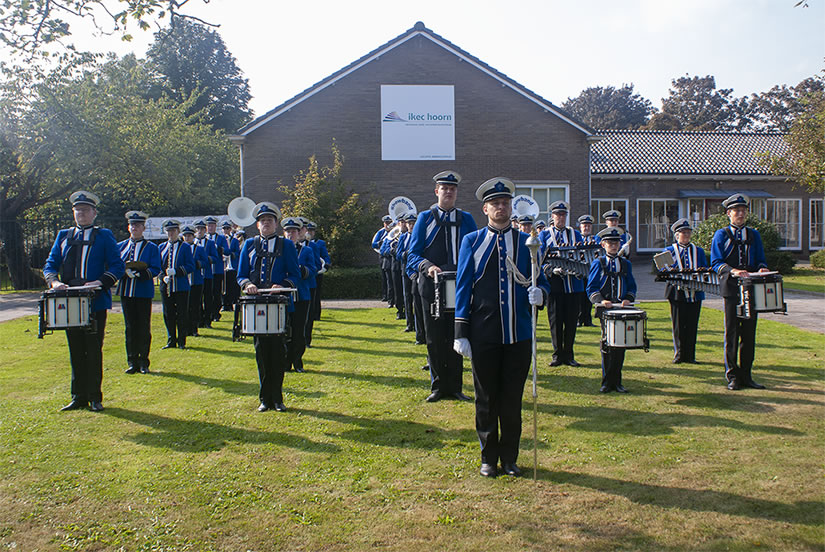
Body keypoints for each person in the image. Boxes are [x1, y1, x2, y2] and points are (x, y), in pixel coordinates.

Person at [454, 177, 550, 478]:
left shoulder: (528, 243)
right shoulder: (472, 241)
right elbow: (463, 286)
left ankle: (509, 457)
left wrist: (541, 294)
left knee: (511, 399)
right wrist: (461, 331)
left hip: (518, 334)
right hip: (484, 333)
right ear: (485, 208)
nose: (501, 207)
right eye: (495, 203)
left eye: (505, 203)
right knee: (486, 399)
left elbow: (541, 281)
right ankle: (488, 456)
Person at [43, 191, 125, 412]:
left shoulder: (104, 235)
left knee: (93, 349)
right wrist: (54, 282)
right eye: (78, 210)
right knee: (75, 349)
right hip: (70, 301)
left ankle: (94, 396)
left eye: (86, 210)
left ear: (94, 213)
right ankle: (77, 395)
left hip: (95, 300)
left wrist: (100, 282)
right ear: (73, 213)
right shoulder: (63, 235)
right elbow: (50, 264)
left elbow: (117, 266)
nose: (81, 214)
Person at [406, 170, 477, 402]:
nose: (448, 192)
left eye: (452, 188)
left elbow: (475, 252)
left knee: (456, 335)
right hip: (432, 287)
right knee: (434, 337)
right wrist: (428, 266)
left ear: (457, 192)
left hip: (458, 287)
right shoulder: (424, 219)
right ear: (436, 191)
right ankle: (438, 386)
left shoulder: (466, 219)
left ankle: (455, 386)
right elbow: (412, 255)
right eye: (444, 188)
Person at [237, 202, 301, 412]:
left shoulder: (287, 245)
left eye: (270, 220)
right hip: (256, 306)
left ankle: (278, 398)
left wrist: (281, 286)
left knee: (278, 353)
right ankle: (265, 398)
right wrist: (249, 285)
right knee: (261, 352)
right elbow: (241, 275)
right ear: (257, 225)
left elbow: (295, 275)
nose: (266, 223)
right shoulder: (248, 244)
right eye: (262, 220)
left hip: (278, 305)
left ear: (276, 224)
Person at [710, 193, 770, 391]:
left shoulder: (754, 235)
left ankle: (747, 375)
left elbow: (760, 259)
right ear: (728, 213)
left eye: (743, 210)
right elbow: (716, 262)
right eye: (736, 210)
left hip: (751, 288)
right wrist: (733, 270)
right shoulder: (721, 234)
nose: (741, 213)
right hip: (732, 289)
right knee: (732, 333)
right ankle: (732, 376)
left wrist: (762, 268)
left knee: (749, 334)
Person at [587, 227, 637, 393]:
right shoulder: (598, 263)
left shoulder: (626, 263)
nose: (613, 246)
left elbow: (631, 286)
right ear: (603, 244)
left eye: (615, 243)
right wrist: (601, 301)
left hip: (621, 309)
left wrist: (628, 299)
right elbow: (591, 287)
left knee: (620, 345)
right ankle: (606, 382)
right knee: (607, 344)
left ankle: (618, 381)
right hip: (606, 309)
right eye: (609, 243)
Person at [540, 201, 584, 367]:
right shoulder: (545, 234)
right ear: (552, 216)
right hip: (555, 284)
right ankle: (557, 355)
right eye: (558, 214)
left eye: (563, 215)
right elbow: (539, 259)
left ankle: (569, 354)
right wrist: (551, 270)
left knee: (571, 321)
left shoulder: (575, 234)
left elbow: (582, 255)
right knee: (556, 321)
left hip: (573, 284)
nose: (561, 217)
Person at [117, 210, 161, 374]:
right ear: (129, 227)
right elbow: (114, 265)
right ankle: (132, 361)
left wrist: (140, 274)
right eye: (132, 225)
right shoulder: (120, 246)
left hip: (142, 291)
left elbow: (156, 268)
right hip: (126, 291)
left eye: (138, 225)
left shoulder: (151, 248)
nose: (134, 228)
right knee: (130, 327)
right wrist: (123, 272)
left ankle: (144, 362)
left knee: (143, 327)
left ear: (143, 228)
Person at [660, 218, 709, 364]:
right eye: (683, 232)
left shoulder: (698, 251)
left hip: (695, 291)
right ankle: (679, 354)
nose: (686, 235)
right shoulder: (669, 250)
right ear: (676, 235)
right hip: (677, 292)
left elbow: (704, 268)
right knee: (679, 324)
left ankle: (691, 355)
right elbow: (662, 269)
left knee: (692, 324)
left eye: (688, 232)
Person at [283, 217, 317, 373]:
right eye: (288, 231)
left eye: (294, 231)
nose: (291, 234)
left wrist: (301, 270)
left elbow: (313, 270)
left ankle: (297, 361)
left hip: (301, 295)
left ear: (299, 233)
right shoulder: (280, 250)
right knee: (284, 330)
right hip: (284, 296)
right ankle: (285, 362)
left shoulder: (307, 250)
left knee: (299, 330)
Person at [159, 219, 194, 350]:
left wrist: (177, 271)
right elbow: (158, 267)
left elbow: (190, 266)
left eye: (173, 231)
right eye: (169, 231)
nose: (171, 234)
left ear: (178, 231)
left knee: (182, 313)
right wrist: (163, 278)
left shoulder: (185, 247)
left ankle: (181, 341)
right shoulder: (161, 247)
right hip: (166, 286)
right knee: (168, 314)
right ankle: (171, 340)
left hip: (181, 286)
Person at [182, 224, 207, 338]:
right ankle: (186, 329)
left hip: (196, 280)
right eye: (185, 236)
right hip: (184, 281)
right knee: (185, 307)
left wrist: (196, 264)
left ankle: (195, 328)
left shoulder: (199, 248)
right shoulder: (181, 249)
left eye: (189, 236)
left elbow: (205, 262)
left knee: (195, 305)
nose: (187, 238)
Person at [194, 219, 219, 328]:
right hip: (195, 275)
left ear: (205, 230)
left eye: (202, 229)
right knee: (197, 299)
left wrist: (205, 259)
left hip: (207, 274)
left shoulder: (210, 243)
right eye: (198, 229)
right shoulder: (191, 242)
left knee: (208, 298)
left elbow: (215, 257)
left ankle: (208, 320)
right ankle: (198, 320)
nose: (200, 231)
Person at [306, 221, 331, 324]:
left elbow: (325, 256)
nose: (309, 232)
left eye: (311, 231)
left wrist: (326, 265)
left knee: (316, 294)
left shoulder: (319, 243)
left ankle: (316, 314)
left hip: (318, 272)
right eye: (308, 230)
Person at [205, 216, 229, 322]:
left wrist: (218, 248)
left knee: (216, 292)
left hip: (217, 269)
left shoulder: (221, 238)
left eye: (212, 225)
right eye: (209, 225)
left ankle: (216, 313)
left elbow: (227, 251)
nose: (210, 228)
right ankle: (207, 313)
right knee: (207, 293)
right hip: (206, 271)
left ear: (215, 226)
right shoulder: (203, 239)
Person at [576, 214, 599, 327]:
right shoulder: (576, 238)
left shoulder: (595, 239)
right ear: (580, 227)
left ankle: (588, 320)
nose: (586, 228)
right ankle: (579, 319)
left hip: (591, 271)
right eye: (584, 226)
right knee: (579, 297)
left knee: (589, 297)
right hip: (579, 271)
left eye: (589, 226)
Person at [396, 214, 416, 333]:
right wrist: (407, 253)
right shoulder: (403, 237)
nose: (411, 226)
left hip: (416, 270)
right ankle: (410, 324)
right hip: (405, 269)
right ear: (406, 224)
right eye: (409, 223)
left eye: (413, 223)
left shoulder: (419, 236)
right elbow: (398, 255)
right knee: (407, 297)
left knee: (417, 298)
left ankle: (419, 324)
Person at [372, 215, 393, 303]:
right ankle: (385, 295)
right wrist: (381, 243)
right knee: (384, 277)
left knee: (391, 278)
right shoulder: (381, 232)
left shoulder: (395, 231)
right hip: (383, 255)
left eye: (389, 223)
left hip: (392, 256)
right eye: (386, 223)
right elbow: (374, 244)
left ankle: (392, 296)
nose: (387, 225)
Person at [221, 220, 241, 313]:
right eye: (224, 228)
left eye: (227, 228)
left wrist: (230, 253)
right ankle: (225, 304)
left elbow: (237, 252)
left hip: (232, 265)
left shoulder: (234, 240)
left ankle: (233, 304)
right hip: (224, 265)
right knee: (224, 287)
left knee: (233, 286)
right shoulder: (220, 239)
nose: (226, 230)